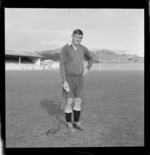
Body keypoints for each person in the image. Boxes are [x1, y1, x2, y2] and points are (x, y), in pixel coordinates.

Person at [59, 29, 93, 132]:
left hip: (80, 79)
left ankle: (77, 122)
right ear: (72, 36)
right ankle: (69, 123)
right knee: (69, 101)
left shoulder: (83, 49)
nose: (78, 39)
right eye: (76, 37)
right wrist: (64, 81)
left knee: (78, 101)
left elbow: (91, 59)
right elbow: (62, 65)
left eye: (80, 37)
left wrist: (87, 68)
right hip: (68, 78)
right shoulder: (66, 48)